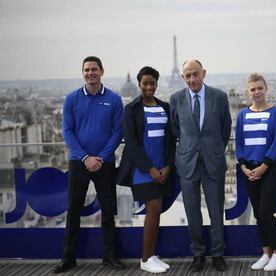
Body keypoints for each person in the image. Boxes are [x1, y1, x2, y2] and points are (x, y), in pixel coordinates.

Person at [53, 56, 124, 273]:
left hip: (105, 162)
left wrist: (100, 157)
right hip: (78, 161)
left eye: (94, 69)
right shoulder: (71, 99)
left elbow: (118, 131)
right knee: (73, 210)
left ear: (102, 71)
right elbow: (67, 131)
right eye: (86, 70)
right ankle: (68, 258)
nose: (90, 73)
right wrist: (85, 157)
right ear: (82, 72)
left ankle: (109, 256)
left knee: (108, 210)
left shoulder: (114, 99)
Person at [169, 59, 232, 272]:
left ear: (204, 73)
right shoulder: (176, 99)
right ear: (182, 77)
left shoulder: (220, 97)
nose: (192, 79)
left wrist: (213, 149)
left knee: (216, 210)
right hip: (188, 162)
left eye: (195, 74)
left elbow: (226, 128)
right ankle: (198, 254)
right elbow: (176, 129)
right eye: (188, 75)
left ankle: (218, 254)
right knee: (192, 211)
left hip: (212, 160)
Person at [116, 66, 176, 273]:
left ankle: (151, 254)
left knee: (156, 211)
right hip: (143, 169)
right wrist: (150, 168)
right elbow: (131, 144)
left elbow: (171, 140)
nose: (149, 86)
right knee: (154, 210)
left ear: (157, 84)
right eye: (145, 83)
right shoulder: (131, 109)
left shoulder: (165, 107)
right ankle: (145, 258)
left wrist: (167, 166)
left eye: (152, 83)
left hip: (162, 168)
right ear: (139, 84)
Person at [235, 73, 276, 271]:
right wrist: (244, 166)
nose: (256, 92)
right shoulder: (242, 115)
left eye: (259, 88)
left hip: (269, 169)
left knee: (265, 213)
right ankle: (266, 252)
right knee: (258, 213)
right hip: (250, 170)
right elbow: (239, 142)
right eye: (253, 89)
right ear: (248, 92)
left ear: (266, 88)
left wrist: (263, 167)